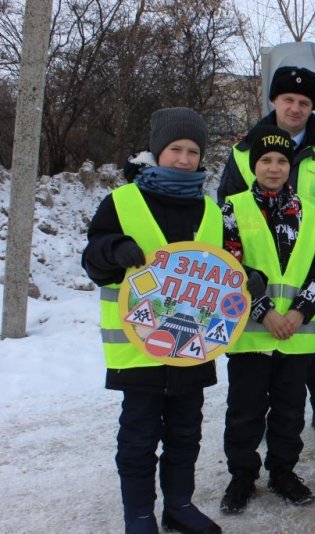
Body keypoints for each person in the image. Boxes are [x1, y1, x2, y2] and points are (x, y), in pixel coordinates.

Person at [82, 107, 221, 534]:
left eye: (192, 151)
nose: (183, 159)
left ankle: (178, 505)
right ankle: (139, 515)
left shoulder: (211, 210)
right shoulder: (122, 201)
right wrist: (114, 250)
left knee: (186, 435)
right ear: (158, 151)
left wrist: (245, 279)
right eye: (175, 149)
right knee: (139, 439)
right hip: (138, 345)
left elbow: (222, 272)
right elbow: (92, 259)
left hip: (192, 347)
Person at [218, 66, 315, 445]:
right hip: (255, 277)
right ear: (274, 101)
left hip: (311, 270)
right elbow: (226, 212)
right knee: (256, 359)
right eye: (288, 100)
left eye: (304, 102)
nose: (295, 108)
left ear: (312, 107)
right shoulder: (243, 150)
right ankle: (255, 427)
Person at [218, 124, 315, 514]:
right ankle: (242, 476)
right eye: (265, 159)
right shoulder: (233, 208)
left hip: (295, 334)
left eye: (281, 160)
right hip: (251, 332)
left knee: (289, 410)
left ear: (290, 166)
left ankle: (283, 472)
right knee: (245, 410)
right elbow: (229, 265)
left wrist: (300, 311)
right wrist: (265, 313)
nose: (274, 167)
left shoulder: (311, 213)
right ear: (254, 165)